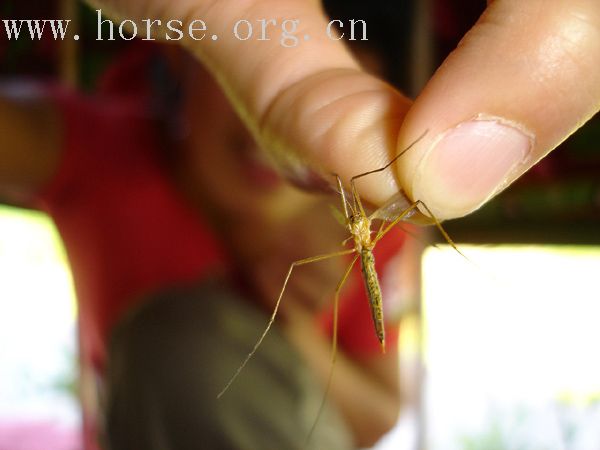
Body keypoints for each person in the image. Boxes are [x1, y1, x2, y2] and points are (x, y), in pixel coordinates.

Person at [2, 0, 600, 448]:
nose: (272, 145)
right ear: (181, 70)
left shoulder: (374, 227)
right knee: (176, 337)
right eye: (245, 94)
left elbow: (376, 415)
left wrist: (299, 335)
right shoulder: (101, 151)